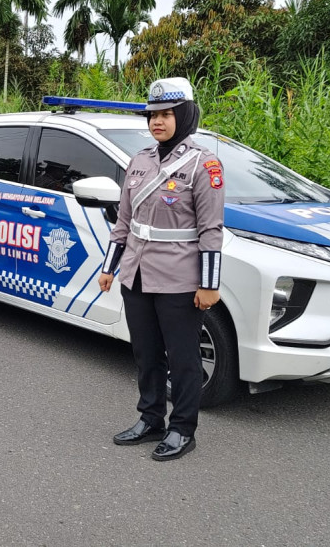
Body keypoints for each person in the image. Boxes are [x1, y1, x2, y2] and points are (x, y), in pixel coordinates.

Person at [97, 77, 225, 462]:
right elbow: (123, 223)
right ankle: (150, 418)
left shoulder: (204, 164)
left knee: (183, 358)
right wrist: (109, 268)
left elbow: (211, 230)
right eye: (153, 114)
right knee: (146, 354)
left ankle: (183, 428)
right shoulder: (139, 161)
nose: (158, 121)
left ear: (184, 116)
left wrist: (209, 284)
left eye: (167, 114)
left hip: (179, 281)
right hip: (136, 275)